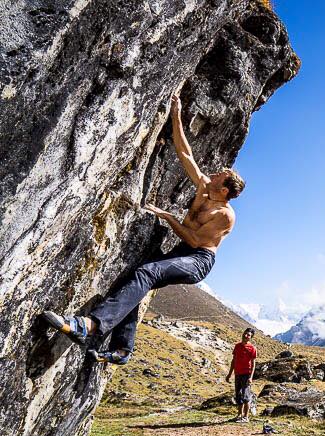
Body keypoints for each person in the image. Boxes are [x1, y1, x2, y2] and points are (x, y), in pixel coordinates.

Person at [40, 93, 245, 364]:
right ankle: (122, 349)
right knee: (136, 278)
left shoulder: (224, 216)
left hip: (198, 260)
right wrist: (176, 114)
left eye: (220, 174)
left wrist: (167, 216)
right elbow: (185, 153)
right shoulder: (204, 188)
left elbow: (195, 241)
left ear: (224, 189)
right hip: (183, 250)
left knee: (147, 272)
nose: (214, 171)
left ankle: (89, 326)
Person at [226, 327, 257, 422]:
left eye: (248, 335)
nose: (245, 335)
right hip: (238, 374)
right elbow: (234, 360)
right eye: (245, 333)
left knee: (246, 396)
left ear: (250, 338)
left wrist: (251, 377)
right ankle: (239, 415)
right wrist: (229, 374)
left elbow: (253, 363)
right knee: (238, 395)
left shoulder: (252, 348)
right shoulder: (237, 346)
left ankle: (246, 417)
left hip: (246, 374)